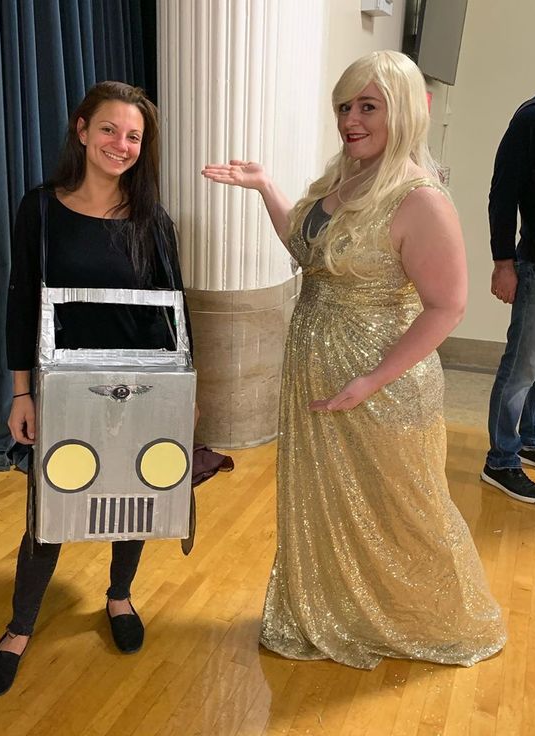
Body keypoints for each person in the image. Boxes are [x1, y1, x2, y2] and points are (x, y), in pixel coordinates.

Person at [202, 50, 506, 669]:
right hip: (318, 372)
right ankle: (338, 610)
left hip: (385, 383)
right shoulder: (343, 178)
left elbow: (447, 306)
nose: (351, 119)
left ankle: (428, 620)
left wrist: (369, 380)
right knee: (330, 503)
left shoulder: (420, 198)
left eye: (368, 106)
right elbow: (306, 246)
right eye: (344, 106)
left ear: (402, 112)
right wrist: (265, 186)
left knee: (400, 509)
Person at [0, 81, 191, 696]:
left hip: (143, 381)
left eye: (133, 136)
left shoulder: (154, 222)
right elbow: (22, 300)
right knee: (51, 505)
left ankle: (120, 596)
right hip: (63, 383)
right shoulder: (40, 208)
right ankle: (21, 626)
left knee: (135, 492)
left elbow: (176, 309)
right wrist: (21, 392)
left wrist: (186, 393)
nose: (120, 145)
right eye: (108, 129)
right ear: (80, 129)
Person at [480, 86, 535, 504]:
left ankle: (533, 440)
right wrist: (503, 262)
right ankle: (502, 459)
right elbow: (503, 194)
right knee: (523, 367)